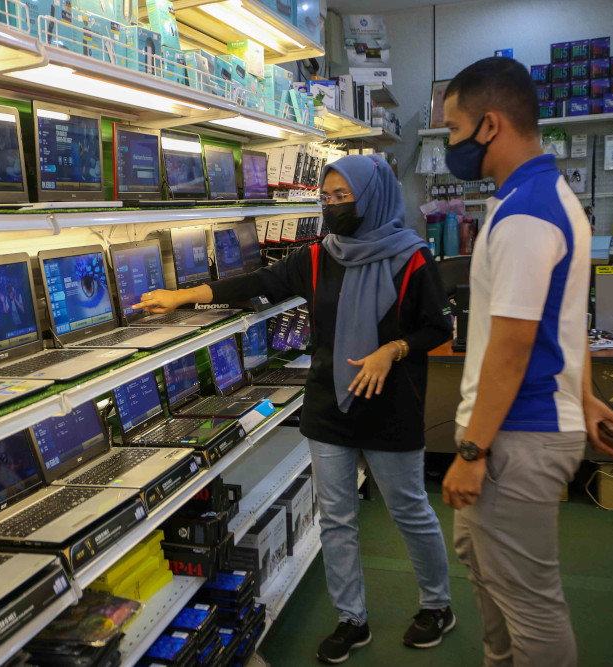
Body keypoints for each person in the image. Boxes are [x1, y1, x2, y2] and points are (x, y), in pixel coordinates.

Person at [135, 154, 456, 664]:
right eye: (324, 198)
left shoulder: (412, 258)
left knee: (409, 510)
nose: (331, 207)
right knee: (336, 518)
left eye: (341, 197)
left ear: (370, 196)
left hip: (391, 406)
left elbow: (438, 329)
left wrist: (391, 350)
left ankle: (436, 605)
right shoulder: (316, 257)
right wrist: (182, 295)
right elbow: (256, 283)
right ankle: (351, 619)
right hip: (329, 404)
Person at [440, 57, 613, 667]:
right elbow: (563, 322)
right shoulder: (547, 197)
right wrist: (583, 393)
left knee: (530, 604)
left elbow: (514, 347)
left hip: (514, 438)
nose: (450, 144)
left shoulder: (525, 215)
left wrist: (472, 452)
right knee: (487, 573)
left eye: (452, 129)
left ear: (489, 125)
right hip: (525, 426)